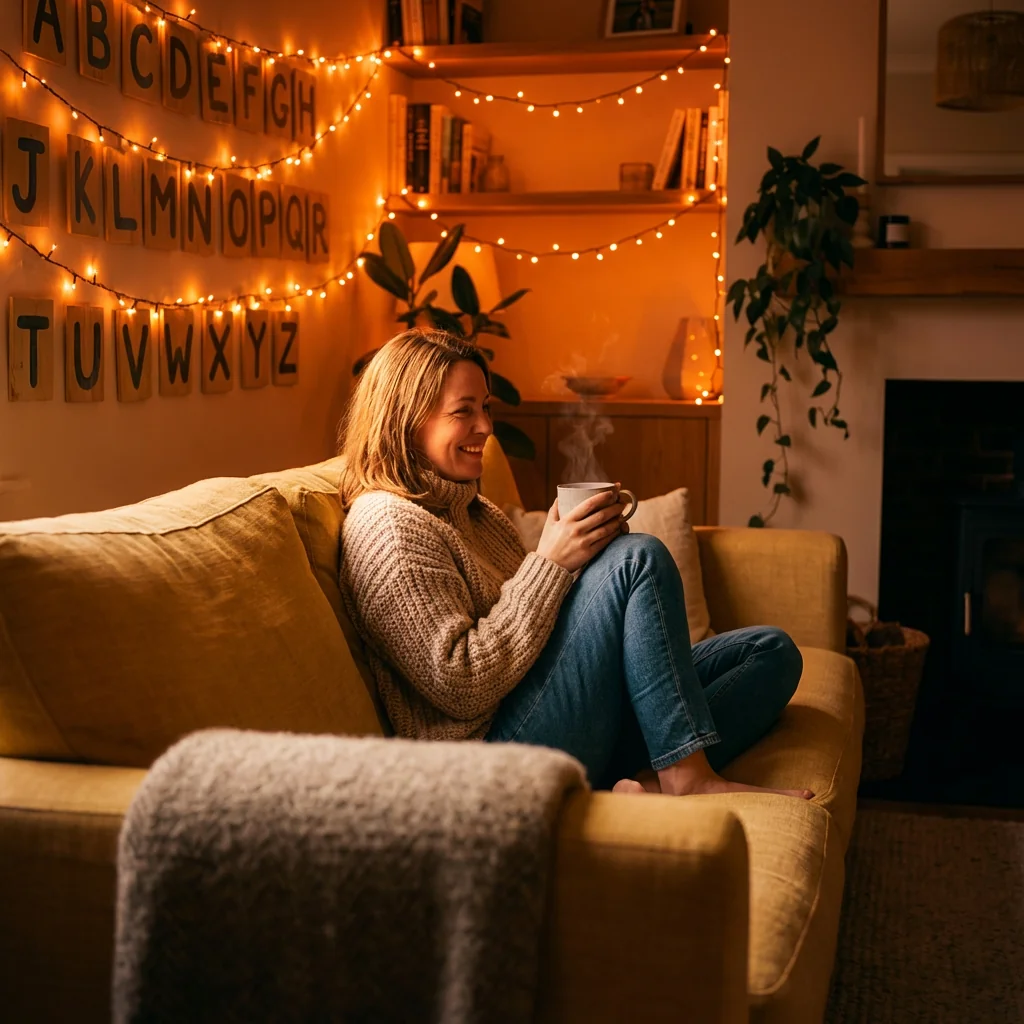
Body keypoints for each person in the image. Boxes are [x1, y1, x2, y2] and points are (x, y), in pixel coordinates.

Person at [339, 329, 813, 799]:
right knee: (638, 559)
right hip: (488, 758)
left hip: (551, 712)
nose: (485, 427)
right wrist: (551, 563)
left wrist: (591, 562)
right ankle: (688, 777)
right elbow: (461, 684)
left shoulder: (477, 513)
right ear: (403, 421)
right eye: (463, 411)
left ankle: (648, 781)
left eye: (485, 407)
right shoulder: (388, 526)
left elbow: (543, 632)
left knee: (770, 651)